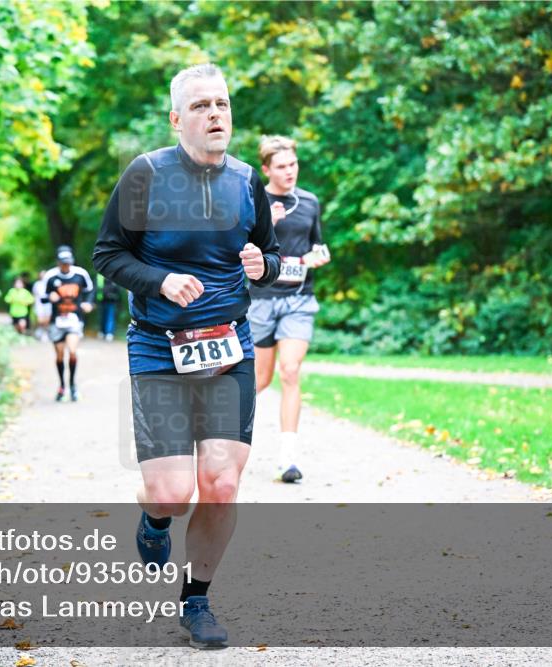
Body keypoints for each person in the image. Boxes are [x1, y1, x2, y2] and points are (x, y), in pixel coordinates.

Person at [93, 63, 280, 649]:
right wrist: (160, 281)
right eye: (201, 106)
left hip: (229, 346)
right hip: (158, 345)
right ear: (178, 119)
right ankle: (153, 520)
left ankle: (197, 600)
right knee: (173, 493)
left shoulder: (248, 181)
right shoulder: (146, 175)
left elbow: (269, 258)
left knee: (221, 483)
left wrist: (264, 267)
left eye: (222, 104)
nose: (215, 114)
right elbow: (108, 254)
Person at [250, 136, 330, 484]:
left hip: (299, 299)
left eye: (293, 165)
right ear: (266, 169)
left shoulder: (310, 202)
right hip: (261, 300)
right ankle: (220, 439)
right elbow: (239, 247)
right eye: (281, 167)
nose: (289, 172)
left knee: (291, 371)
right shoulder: (254, 201)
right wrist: (266, 220)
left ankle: (287, 458)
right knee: (258, 380)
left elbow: (317, 246)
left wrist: (319, 257)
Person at [42, 245, 94, 402]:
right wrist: (50, 296)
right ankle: (62, 385)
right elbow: (42, 296)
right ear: (58, 262)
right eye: (63, 263)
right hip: (56, 321)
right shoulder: (50, 276)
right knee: (59, 354)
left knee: (72, 351)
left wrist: (88, 303)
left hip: (74, 319)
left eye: (68, 262)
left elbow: (90, 290)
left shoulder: (80, 274)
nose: (66, 265)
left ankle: (72, 386)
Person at [96, 273, 122, 341]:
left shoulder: (115, 278)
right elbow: (97, 289)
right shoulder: (100, 277)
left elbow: (118, 292)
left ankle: (109, 333)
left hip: (112, 302)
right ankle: (102, 332)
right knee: (102, 317)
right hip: (102, 301)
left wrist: (118, 301)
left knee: (110, 318)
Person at [31, 270, 52, 342]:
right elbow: (34, 294)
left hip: (48, 304)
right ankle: (41, 331)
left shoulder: (49, 283)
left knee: (47, 319)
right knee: (40, 320)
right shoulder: (37, 284)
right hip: (39, 304)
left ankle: (45, 333)